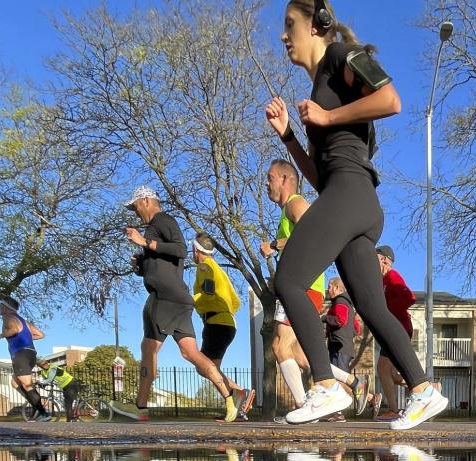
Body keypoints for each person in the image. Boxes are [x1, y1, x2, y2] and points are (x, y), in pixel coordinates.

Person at [264, 1, 448, 429]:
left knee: (288, 281)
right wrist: (291, 136)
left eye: (290, 25)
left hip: (351, 193)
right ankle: (423, 390)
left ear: (318, 24)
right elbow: (318, 179)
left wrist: (327, 115)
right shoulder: (318, 91)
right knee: (370, 304)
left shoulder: (339, 56)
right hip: (348, 197)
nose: (283, 35)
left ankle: (326, 387)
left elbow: (391, 99)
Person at [121, 186, 238, 423]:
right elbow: (160, 263)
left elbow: (180, 249)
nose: (135, 212)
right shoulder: (153, 229)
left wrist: (145, 242)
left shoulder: (162, 220)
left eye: (135, 207)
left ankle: (140, 407)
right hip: (179, 300)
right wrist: (140, 262)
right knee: (191, 353)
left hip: (163, 298)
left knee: (148, 349)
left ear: (146, 201)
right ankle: (230, 397)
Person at [260, 159, 325, 412]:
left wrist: (275, 245)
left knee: (279, 346)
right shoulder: (286, 210)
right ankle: (349, 384)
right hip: (301, 287)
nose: (267, 183)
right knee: (298, 354)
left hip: (304, 287)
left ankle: (304, 406)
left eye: (270, 177)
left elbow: (313, 231)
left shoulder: (294, 203)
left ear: (286, 179)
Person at [191, 233, 254, 418]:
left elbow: (208, 291)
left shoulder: (203, 266)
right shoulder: (220, 271)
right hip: (228, 323)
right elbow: (235, 302)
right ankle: (238, 401)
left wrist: (188, 301)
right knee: (211, 368)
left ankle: (239, 392)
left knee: (205, 367)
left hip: (215, 323)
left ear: (196, 250)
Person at [370, 244, 415, 419]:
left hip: (400, 327)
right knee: (392, 374)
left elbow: (408, 297)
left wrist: (388, 310)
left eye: (374, 260)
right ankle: (429, 388)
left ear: (384, 260)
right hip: (393, 328)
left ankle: (394, 411)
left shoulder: (392, 276)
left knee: (382, 368)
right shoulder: (381, 281)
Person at [0, 296, 50, 422]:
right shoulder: (23, 320)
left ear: (7, 307)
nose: (0, 307)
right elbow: (40, 335)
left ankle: (43, 413)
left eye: (1, 305)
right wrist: (26, 338)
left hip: (20, 354)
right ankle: (36, 406)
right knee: (15, 383)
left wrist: (0, 335)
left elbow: (14, 329)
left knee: (27, 385)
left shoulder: (8, 317)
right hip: (31, 353)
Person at [323, 276, 360, 419]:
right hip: (345, 347)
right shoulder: (348, 305)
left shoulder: (340, 301)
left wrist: (326, 318)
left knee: (338, 379)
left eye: (331, 286)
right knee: (339, 378)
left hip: (338, 347)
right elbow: (357, 329)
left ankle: (367, 396)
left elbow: (340, 320)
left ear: (338, 288)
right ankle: (336, 411)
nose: (328, 289)